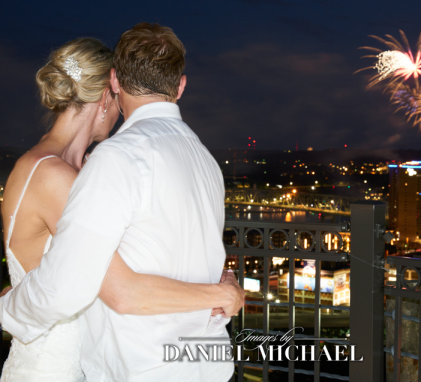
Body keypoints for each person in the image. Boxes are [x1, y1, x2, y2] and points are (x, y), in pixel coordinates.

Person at [0, 29, 243, 381]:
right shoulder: (55, 175)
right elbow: (116, 287)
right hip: (59, 365)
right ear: (107, 94)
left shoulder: (94, 166)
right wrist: (219, 293)